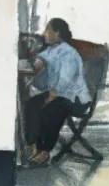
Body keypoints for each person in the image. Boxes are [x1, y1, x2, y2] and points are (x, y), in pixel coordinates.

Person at [24, 18, 91, 165]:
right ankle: (34, 147)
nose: (44, 34)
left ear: (57, 33)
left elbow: (65, 81)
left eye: (47, 30)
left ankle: (45, 152)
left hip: (74, 97)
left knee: (50, 110)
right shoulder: (49, 50)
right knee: (31, 105)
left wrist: (51, 96)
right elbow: (40, 67)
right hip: (57, 93)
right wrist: (37, 64)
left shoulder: (68, 53)